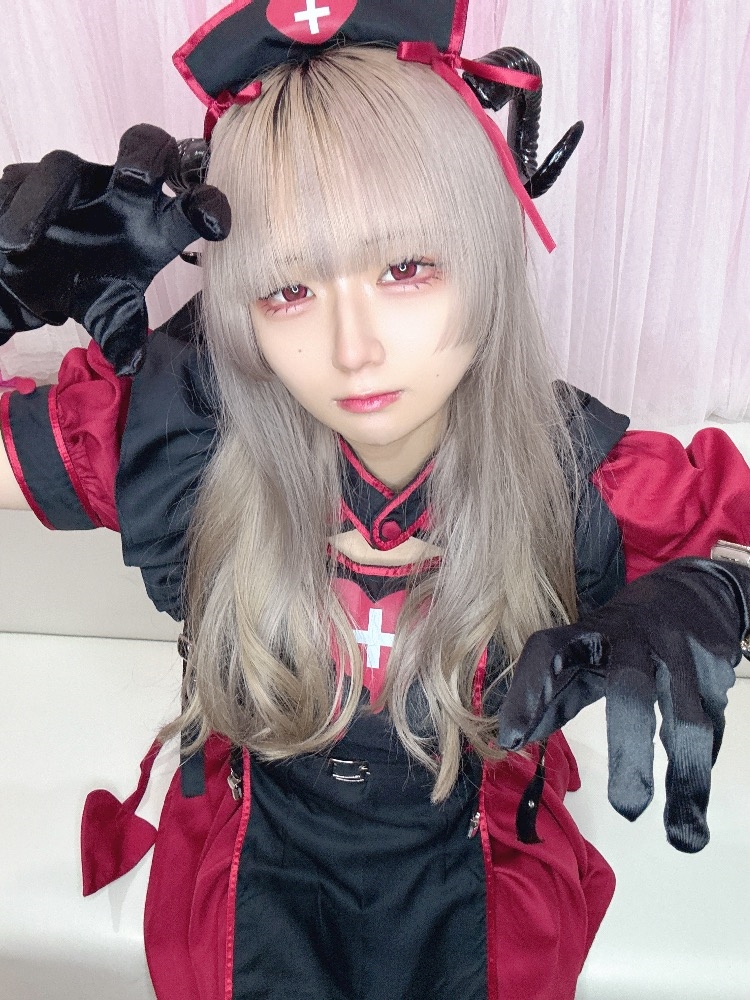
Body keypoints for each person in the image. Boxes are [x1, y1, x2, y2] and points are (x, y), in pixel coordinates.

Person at [1, 4, 750, 999]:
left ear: (485, 255)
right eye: (288, 290)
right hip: (245, 896)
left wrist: (719, 592)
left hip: (486, 906)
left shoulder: (581, 475)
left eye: (406, 267)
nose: (353, 349)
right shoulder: (187, 441)